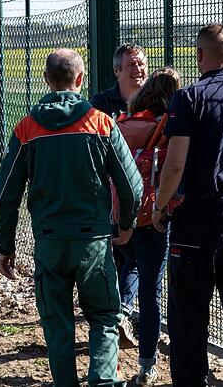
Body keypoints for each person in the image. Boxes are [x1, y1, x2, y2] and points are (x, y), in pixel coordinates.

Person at [0, 48, 143, 387]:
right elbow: (132, 185)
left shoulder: (27, 130)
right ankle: (103, 381)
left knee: (57, 323)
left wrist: (6, 246)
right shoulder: (102, 124)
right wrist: (125, 223)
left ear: (46, 80)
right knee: (104, 317)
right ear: (80, 79)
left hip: (50, 242)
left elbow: (6, 195)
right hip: (93, 242)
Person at [151, 24, 223, 386]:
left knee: (189, 311)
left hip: (200, 214)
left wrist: (160, 206)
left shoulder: (189, 98)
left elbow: (176, 162)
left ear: (199, 56)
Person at [111, 67, 183, 386]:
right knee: (152, 291)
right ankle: (146, 366)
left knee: (130, 262)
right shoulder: (167, 127)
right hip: (153, 214)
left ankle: (122, 311)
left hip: (124, 214)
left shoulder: (123, 124)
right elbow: (174, 168)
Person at [90, 42, 148, 348]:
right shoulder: (102, 103)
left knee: (135, 256)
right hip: (107, 194)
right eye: (131, 65)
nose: (137, 70)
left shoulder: (154, 100)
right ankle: (112, 315)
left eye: (141, 63)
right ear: (117, 71)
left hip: (142, 194)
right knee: (111, 257)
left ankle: (119, 314)